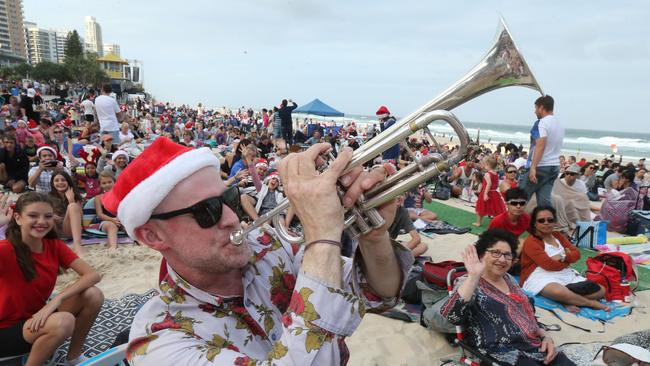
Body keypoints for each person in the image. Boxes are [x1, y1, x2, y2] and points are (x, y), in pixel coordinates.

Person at [99, 138, 412, 364]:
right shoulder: (157, 340)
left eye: (230, 199)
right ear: (152, 236)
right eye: (207, 211)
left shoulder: (267, 245)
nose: (232, 217)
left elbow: (377, 292)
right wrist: (322, 234)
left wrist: (373, 238)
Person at [440, 229, 574, 365]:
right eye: (496, 253)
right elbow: (452, 316)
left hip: (532, 345)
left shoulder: (509, 279)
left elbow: (528, 315)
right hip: (498, 352)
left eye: (507, 255)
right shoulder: (469, 282)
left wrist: (546, 336)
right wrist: (474, 276)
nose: (502, 259)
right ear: (481, 255)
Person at [0, 193, 103, 365]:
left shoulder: (54, 246)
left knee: (93, 294)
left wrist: (56, 299)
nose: (41, 221)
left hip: (35, 319)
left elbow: (93, 275)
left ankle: (74, 358)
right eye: (33, 215)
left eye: (47, 216)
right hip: (5, 330)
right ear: (17, 218)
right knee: (64, 322)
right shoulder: (5, 250)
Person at [520, 206, 608, 311]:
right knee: (557, 291)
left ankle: (566, 300)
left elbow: (577, 254)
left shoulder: (558, 236)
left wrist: (563, 257)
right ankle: (589, 303)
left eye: (550, 220)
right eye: (541, 220)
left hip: (565, 273)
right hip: (540, 275)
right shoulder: (532, 241)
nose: (546, 223)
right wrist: (567, 261)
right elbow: (548, 265)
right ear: (535, 223)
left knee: (601, 290)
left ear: (554, 222)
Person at [520, 95, 564, 208]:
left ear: (541, 107)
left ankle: (511, 225)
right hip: (554, 166)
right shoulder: (559, 124)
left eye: (536, 108)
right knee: (544, 202)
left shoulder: (541, 123)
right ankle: (546, 224)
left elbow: (541, 145)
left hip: (541, 166)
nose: (535, 111)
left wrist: (533, 167)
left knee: (519, 199)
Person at [49, 171, 85, 255]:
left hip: (70, 230)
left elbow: (81, 217)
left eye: (63, 180)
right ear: (52, 184)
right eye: (56, 180)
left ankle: (77, 245)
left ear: (68, 182)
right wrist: (50, 216)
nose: (60, 182)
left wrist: (71, 200)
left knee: (72, 206)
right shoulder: (47, 197)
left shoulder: (76, 196)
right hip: (54, 229)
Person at [91, 172, 121, 250]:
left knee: (131, 224)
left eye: (109, 182)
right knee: (111, 226)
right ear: (100, 185)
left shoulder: (120, 196)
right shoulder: (98, 198)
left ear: (115, 182)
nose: (107, 185)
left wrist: (120, 219)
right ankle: (113, 247)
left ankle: (142, 243)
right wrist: (112, 219)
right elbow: (100, 214)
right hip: (106, 221)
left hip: (119, 220)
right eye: (104, 183)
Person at [474, 157, 506, 227]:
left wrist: (485, 194)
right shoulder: (496, 174)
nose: (484, 166)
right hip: (494, 193)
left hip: (486, 192)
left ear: (488, 165)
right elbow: (496, 184)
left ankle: (478, 222)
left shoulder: (487, 174)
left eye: (485, 164)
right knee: (495, 209)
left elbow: (489, 184)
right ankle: (498, 223)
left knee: (481, 208)